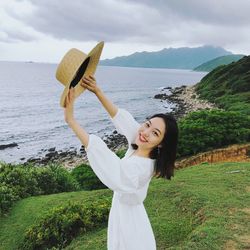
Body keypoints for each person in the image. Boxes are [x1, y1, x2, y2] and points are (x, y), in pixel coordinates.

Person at [64, 75, 179, 250]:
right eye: (147, 124)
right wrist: (97, 90)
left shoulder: (140, 167)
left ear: (161, 143)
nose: (146, 132)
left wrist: (71, 121)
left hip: (129, 221)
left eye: (155, 133)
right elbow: (122, 118)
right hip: (128, 212)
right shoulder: (141, 146)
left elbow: (107, 161)